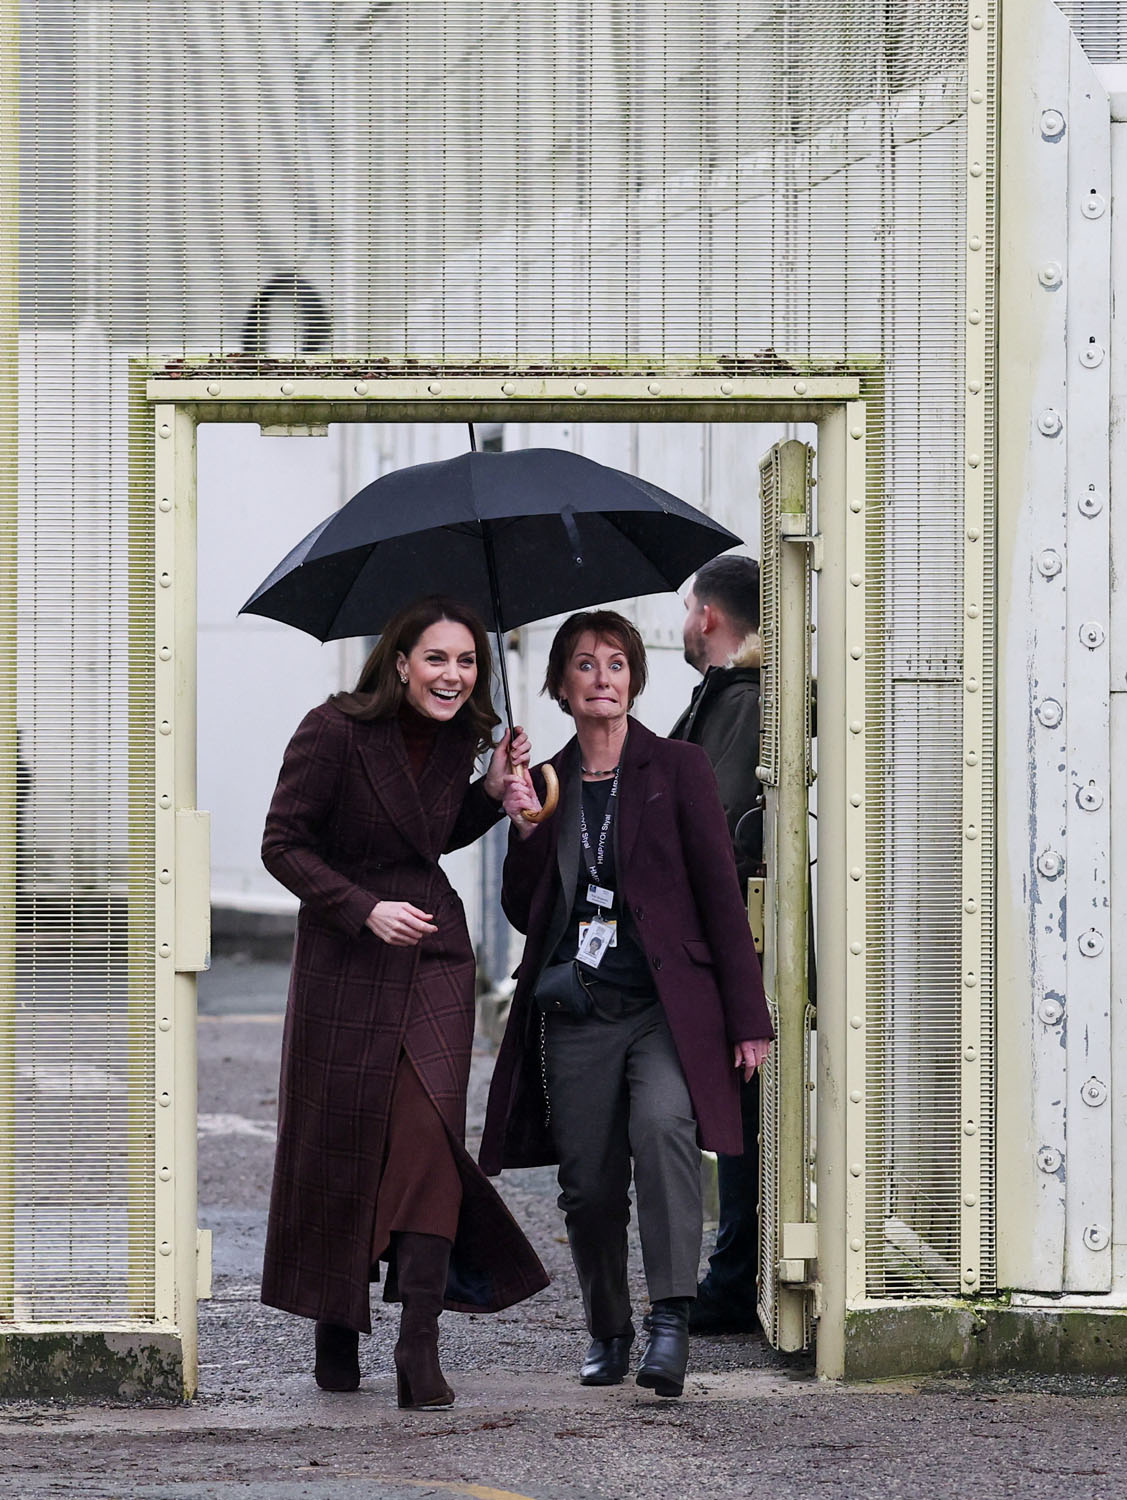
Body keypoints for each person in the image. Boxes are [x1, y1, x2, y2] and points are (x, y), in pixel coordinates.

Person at [260, 595, 548, 1410]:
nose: (453, 675)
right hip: (346, 953)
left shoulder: (461, 738)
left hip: (433, 950)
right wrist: (362, 909)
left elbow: (429, 833)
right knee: (345, 1135)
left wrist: (489, 791)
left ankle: (419, 1340)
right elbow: (281, 844)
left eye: (466, 661)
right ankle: (335, 1317)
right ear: (399, 663)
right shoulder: (331, 729)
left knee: (428, 1135)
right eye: (436, 659)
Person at [480, 610, 772, 1399]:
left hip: (664, 1010)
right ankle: (607, 1328)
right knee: (589, 1181)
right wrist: (524, 827)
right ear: (561, 685)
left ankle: (670, 1321)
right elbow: (521, 914)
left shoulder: (677, 767)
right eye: (584, 664)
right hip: (579, 1008)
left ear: (633, 680)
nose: (601, 678)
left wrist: (748, 1019)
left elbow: (719, 893)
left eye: (615, 663)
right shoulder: (547, 780)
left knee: (664, 1130)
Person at [671, 554, 765, 1334]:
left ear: (706, 616)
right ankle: (735, 1273)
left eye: (685, 608)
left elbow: (719, 827)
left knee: (742, 1112)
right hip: (730, 938)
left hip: (731, 942)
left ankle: (733, 1278)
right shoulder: (735, 697)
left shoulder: (738, 700)